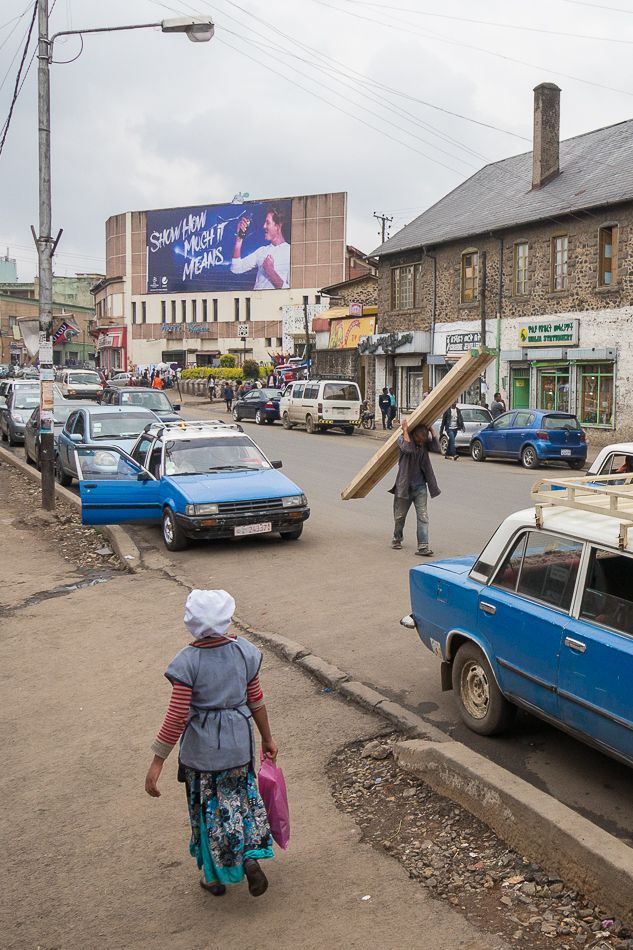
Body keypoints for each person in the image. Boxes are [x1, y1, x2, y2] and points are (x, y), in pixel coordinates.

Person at [145, 589, 277, 898]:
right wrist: (267, 738)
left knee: (209, 811)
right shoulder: (244, 652)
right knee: (240, 802)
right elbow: (256, 700)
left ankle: (214, 877)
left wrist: (157, 761)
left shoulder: (187, 661)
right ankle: (248, 856)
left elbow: (177, 716)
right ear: (227, 619)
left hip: (202, 755)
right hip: (238, 748)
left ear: (190, 622)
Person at [389, 417, 441, 556]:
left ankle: (423, 546)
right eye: (419, 440)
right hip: (404, 486)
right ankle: (397, 539)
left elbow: (437, 448)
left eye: (423, 441)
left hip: (420, 487)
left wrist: (431, 429)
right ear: (414, 436)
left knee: (423, 517)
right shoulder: (402, 439)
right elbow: (407, 449)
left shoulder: (423, 444)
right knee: (400, 516)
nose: (421, 443)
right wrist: (405, 430)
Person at [230, 208, 290, 290]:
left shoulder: (290, 252)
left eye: (268, 222)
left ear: (278, 226)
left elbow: (292, 290)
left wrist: (271, 272)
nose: (264, 226)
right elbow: (236, 268)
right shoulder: (261, 251)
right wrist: (239, 239)